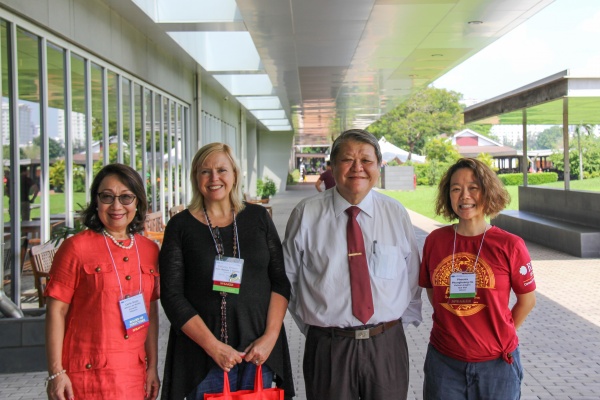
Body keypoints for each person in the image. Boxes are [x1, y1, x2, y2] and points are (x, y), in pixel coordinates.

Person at [283, 129, 422, 400]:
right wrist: (317, 326)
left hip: (387, 346)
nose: (358, 168)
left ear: (378, 167)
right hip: (328, 348)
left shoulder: (395, 213)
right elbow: (288, 279)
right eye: (348, 160)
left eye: (367, 161)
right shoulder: (306, 213)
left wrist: (391, 329)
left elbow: (412, 276)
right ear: (333, 166)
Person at [159, 142, 294, 399]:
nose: (214, 178)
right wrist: (214, 348)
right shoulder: (180, 226)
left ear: (234, 174)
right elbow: (172, 296)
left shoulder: (258, 217)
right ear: (195, 177)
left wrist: (270, 338)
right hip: (204, 357)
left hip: (258, 353)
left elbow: (279, 281)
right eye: (205, 171)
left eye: (222, 170)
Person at [419, 158, 537, 400]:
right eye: (456, 188)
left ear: (487, 192)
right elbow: (433, 291)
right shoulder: (436, 241)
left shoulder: (510, 245)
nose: (464, 196)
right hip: (444, 363)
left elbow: (527, 300)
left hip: (497, 365)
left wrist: (501, 334)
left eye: (473, 187)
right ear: (447, 195)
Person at [44, 163, 161, 400]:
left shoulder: (149, 250)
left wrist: (152, 368)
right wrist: (56, 372)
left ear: (137, 202)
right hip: (86, 377)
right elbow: (56, 311)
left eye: (126, 197)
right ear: (96, 201)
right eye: (107, 197)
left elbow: (151, 311)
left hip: (133, 375)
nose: (116, 206)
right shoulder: (76, 248)